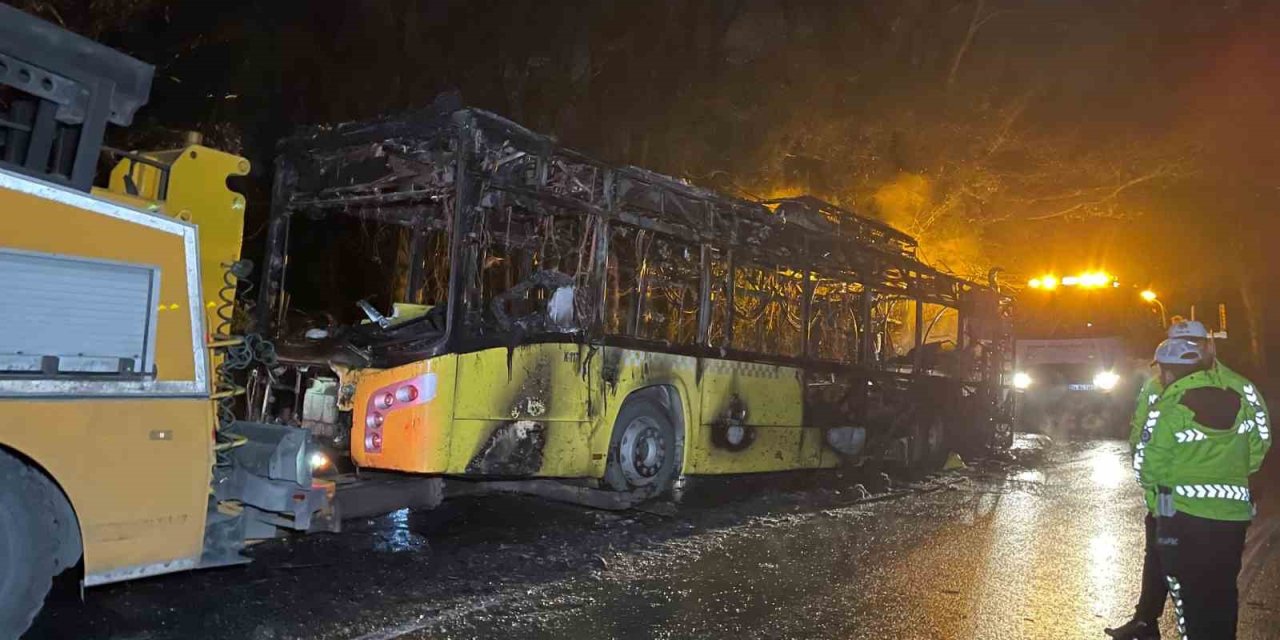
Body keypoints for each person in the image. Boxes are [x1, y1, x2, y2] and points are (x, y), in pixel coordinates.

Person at [1108, 320, 1254, 639]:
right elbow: (1254, 442)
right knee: (1215, 586)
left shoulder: (1186, 399)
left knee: (1188, 587)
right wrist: (1231, 471)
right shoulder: (1231, 393)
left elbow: (1150, 459)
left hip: (1178, 506)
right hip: (1225, 510)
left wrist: (1163, 481)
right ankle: (1146, 620)